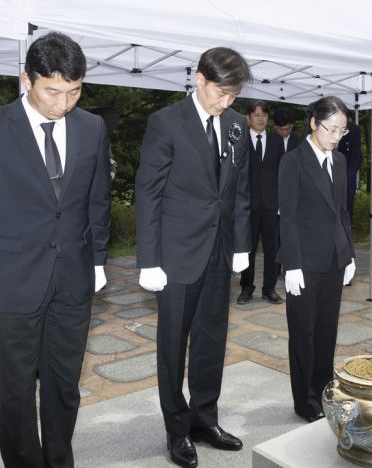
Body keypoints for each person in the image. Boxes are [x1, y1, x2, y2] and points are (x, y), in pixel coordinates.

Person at [0, 32, 111, 467]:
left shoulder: (92, 127)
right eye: (53, 91)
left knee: (64, 384)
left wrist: (97, 259)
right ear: (27, 78)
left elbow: (97, 200)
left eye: (75, 91)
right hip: (12, 281)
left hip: (73, 279)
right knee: (18, 387)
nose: (63, 103)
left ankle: (60, 459)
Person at [135, 47, 252, 467]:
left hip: (219, 254)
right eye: (221, 92)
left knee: (211, 341)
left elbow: (239, 191)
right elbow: (148, 193)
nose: (227, 102)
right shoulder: (165, 122)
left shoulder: (237, 125)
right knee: (173, 346)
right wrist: (148, 259)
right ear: (199, 79)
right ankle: (177, 429)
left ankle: (205, 418)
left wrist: (241, 246)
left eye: (234, 95)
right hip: (176, 255)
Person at [277, 96, 355, 423]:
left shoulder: (338, 161)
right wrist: (291, 264)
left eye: (342, 130)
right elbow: (288, 216)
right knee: (303, 333)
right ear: (313, 123)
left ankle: (324, 392)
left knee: (327, 331)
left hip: (334, 259)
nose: (336, 136)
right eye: (331, 128)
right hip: (305, 263)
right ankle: (304, 401)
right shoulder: (293, 161)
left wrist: (348, 253)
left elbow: (342, 212)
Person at [238, 100, 285, 305]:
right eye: (256, 115)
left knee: (271, 250)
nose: (260, 119)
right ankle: (246, 288)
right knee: (247, 248)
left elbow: (282, 172)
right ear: (248, 117)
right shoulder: (239, 139)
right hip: (247, 204)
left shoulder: (276, 140)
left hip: (271, 205)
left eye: (264, 115)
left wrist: (282, 201)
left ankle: (269, 288)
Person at [338, 118, 363, 219]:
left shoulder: (353, 129)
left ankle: (345, 232)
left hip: (347, 175)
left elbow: (356, 156)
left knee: (347, 208)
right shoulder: (322, 125)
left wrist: (348, 175)